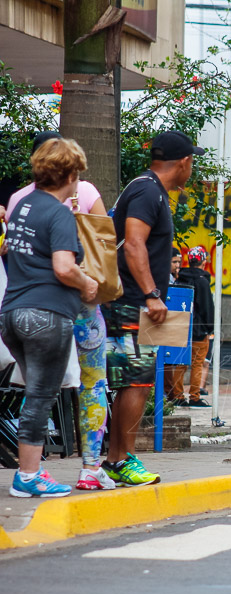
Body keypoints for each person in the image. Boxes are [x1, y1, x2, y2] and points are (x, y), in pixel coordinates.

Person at [7, 132, 115, 491]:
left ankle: (30, 471)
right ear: (70, 176)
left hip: (13, 312)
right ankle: (37, 474)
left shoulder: (20, 203)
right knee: (69, 387)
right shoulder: (61, 211)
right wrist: (88, 285)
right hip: (50, 313)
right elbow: (66, 265)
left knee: (34, 393)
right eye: (77, 175)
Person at [105, 130, 202, 486]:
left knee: (132, 382)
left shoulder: (145, 187)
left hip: (128, 301)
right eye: (193, 162)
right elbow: (133, 244)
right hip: (132, 302)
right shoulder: (148, 191)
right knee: (137, 382)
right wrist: (150, 294)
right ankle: (123, 459)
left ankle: (115, 460)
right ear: (184, 162)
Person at [174, 246, 214, 408]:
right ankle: (195, 396)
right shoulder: (203, 282)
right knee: (197, 363)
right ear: (203, 262)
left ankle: (176, 395)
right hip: (198, 330)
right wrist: (210, 328)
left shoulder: (179, 279)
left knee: (179, 363)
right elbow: (207, 307)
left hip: (180, 328)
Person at [164, 247, 189, 405]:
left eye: (179, 262)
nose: (177, 265)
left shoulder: (176, 279)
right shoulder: (165, 279)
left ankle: (171, 392)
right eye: (174, 262)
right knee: (167, 361)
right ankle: (169, 392)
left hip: (175, 322)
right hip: (166, 323)